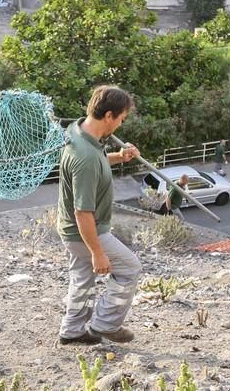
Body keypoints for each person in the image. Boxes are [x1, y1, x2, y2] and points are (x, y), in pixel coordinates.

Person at [56, 85, 142, 345]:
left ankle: (72, 331)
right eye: (121, 119)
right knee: (129, 268)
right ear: (109, 116)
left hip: (70, 230)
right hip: (85, 231)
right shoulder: (85, 158)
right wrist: (97, 252)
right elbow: (83, 212)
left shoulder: (79, 132)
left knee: (82, 280)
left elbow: (98, 159)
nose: (120, 125)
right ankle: (106, 323)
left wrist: (119, 157)